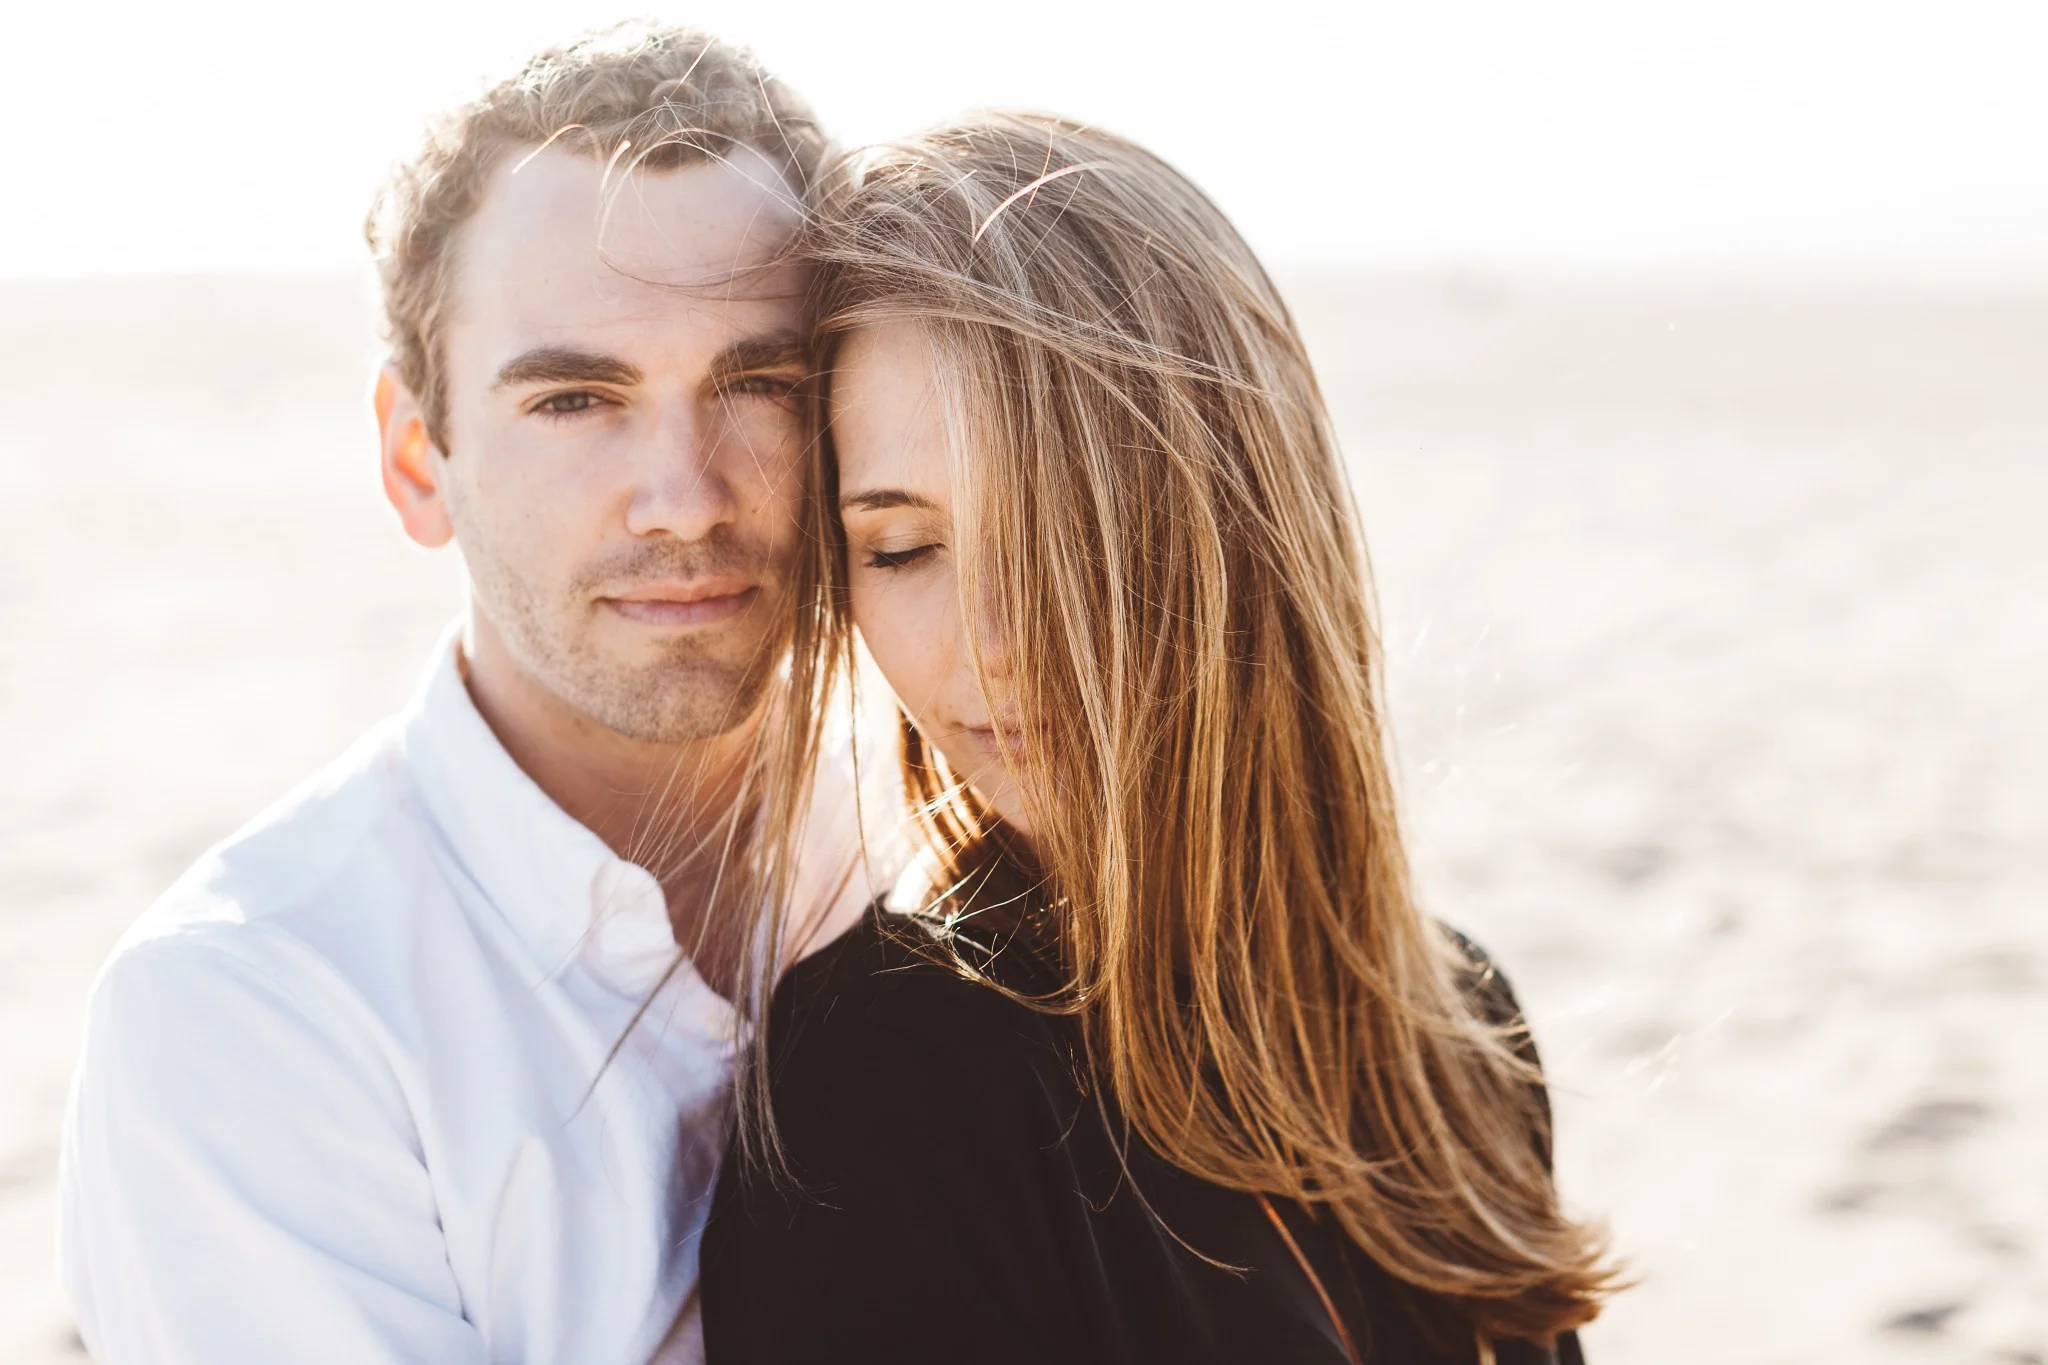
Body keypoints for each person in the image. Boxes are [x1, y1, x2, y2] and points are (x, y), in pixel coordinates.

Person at [699, 113, 1625, 1363]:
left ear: (1232, 513)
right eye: (900, 547)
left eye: (1058, 525)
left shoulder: (1457, 1031)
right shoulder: (881, 1091)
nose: (992, 642)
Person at [57, 24, 862, 1364]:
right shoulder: (253, 1014)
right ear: (418, 461)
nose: (685, 498)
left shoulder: (962, 852)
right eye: (575, 401)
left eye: (760, 384)